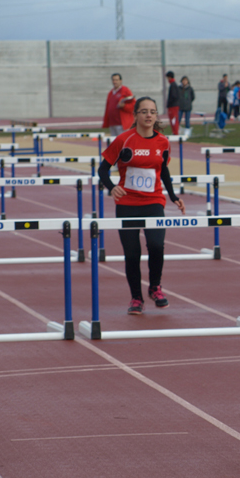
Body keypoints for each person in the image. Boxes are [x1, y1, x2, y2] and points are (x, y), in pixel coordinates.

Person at [98, 97, 186, 315]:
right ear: (136, 115)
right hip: (127, 204)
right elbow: (102, 170)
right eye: (144, 111)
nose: (149, 115)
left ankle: (155, 287)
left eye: (153, 112)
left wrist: (173, 195)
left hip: (153, 201)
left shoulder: (163, 142)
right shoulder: (123, 140)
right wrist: (111, 187)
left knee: (156, 245)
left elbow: (163, 170)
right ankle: (136, 297)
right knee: (132, 253)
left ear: (156, 116)